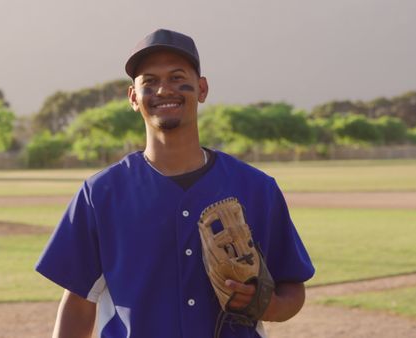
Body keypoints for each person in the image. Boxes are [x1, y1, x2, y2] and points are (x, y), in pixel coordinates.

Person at [36, 28, 315, 338]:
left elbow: (293, 289)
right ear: (133, 97)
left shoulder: (256, 188)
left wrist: (263, 304)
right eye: (150, 81)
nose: (163, 90)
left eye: (176, 77)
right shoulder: (101, 194)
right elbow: (77, 306)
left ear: (202, 88)